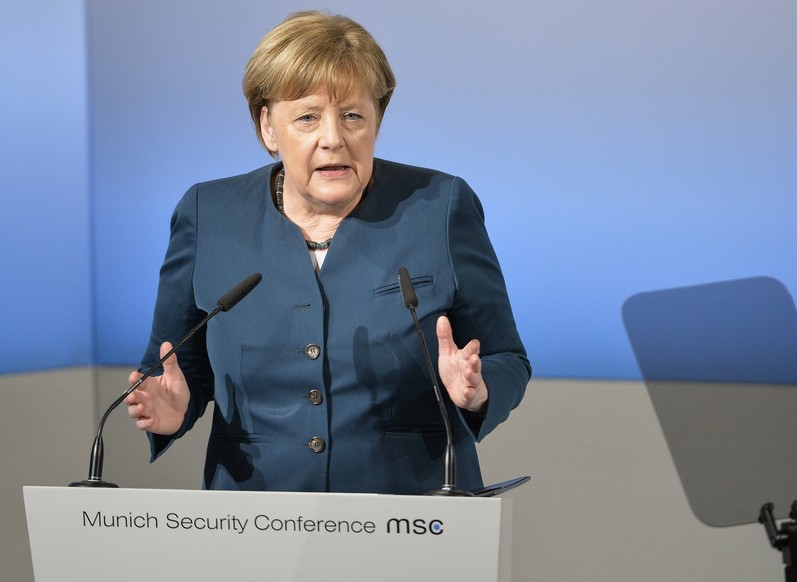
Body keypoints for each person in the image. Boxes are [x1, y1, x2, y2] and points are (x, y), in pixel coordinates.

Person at [125, 10, 530, 494]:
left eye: (353, 115)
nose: (333, 138)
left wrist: (478, 389)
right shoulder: (207, 214)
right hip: (257, 518)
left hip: (413, 512)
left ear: (377, 120)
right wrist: (173, 411)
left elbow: (506, 355)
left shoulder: (440, 206)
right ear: (268, 128)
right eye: (308, 117)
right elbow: (176, 365)